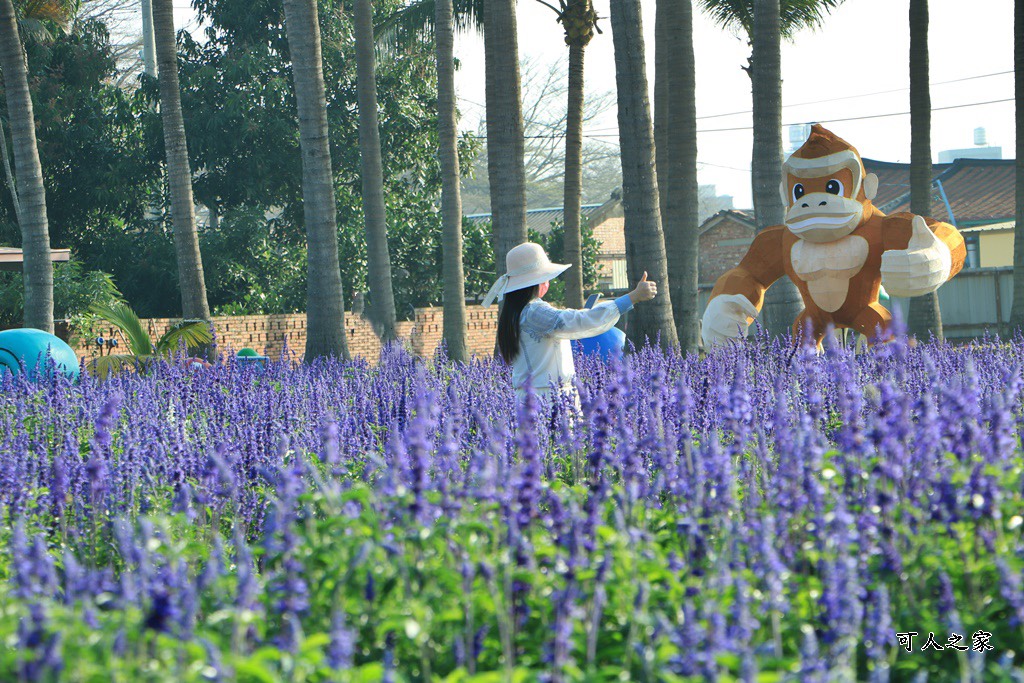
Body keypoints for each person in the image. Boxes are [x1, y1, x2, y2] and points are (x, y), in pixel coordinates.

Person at [482, 242, 657, 404]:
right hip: (547, 400)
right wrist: (631, 298)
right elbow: (578, 321)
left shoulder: (516, 312)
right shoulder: (534, 312)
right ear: (535, 282)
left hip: (537, 397)